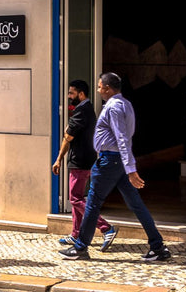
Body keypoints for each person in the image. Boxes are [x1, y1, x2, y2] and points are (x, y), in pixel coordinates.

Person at [60, 73, 171, 261]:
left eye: (99, 86)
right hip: (116, 161)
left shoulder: (114, 107)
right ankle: (158, 248)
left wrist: (131, 169)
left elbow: (122, 138)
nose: (98, 90)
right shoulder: (126, 104)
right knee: (136, 204)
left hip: (109, 161)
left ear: (108, 88)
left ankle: (80, 248)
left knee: (93, 203)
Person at [52, 79, 117, 250]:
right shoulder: (85, 110)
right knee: (77, 198)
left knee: (75, 198)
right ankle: (76, 234)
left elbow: (68, 137)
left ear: (81, 94)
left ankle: (106, 228)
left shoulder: (82, 112)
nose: (68, 96)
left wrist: (58, 158)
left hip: (80, 161)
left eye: (71, 93)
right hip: (85, 159)